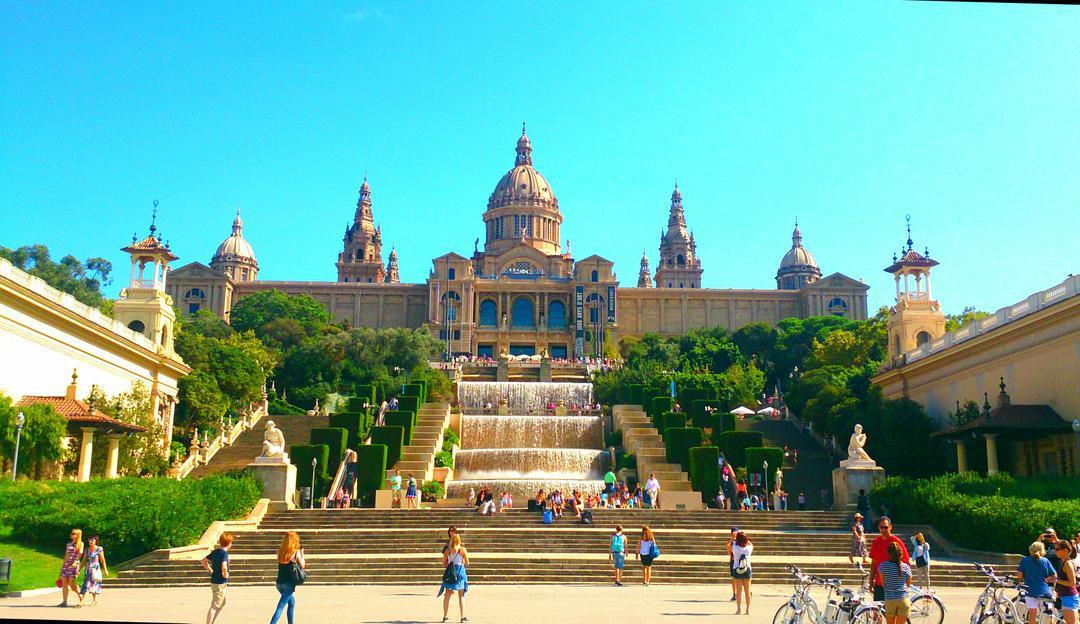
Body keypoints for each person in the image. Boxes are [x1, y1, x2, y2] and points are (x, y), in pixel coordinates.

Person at [869, 517, 910, 602]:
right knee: (878, 612)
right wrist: (871, 581)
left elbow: (906, 563)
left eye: (886, 527)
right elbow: (873, 563)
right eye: (881, 527)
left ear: (890, 527)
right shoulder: (876, 542)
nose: (884, 529)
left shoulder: (897, 542)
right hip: (879, 585)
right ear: (878, 528)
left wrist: (903, 583)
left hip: (894, 587)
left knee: (892, 613)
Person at [269, 531, 305, 624]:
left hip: (279, 583)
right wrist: (302, 554)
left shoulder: (280, 551)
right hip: (288, 583)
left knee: (291, 602)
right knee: (280, 606)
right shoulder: (295, 552)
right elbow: (302, 565)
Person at [1017, 541, 1057, 624]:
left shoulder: (1025, 560)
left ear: (1030, 550)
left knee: (1032, 614)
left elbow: (1019, 576)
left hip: (1030, 590)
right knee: (1048, 614)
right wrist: (1048, 579)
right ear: (1042, 550)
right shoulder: (1046, 561)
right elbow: (1054, 576)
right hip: (1044, 591)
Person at [201, 532, 232, 624]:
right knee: (215, 605)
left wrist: (211, 570)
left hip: (214, 580)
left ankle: (212, 622)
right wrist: (225, 574)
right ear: (229, 543)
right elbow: (224, 566)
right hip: (220, 582)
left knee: (221, 602)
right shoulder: (224, 554)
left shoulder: (216, 552)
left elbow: (203, 561)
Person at [439, 533, 470, 622]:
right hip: (460, 573)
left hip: (450, 573)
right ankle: (462, 617)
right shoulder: (462, 550)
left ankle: (445, 616)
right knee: (461, 596)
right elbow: (467, 563)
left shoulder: (447, 550)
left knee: (447, 595)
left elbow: (444, 563)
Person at [879, 541, 912, 624]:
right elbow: (908, 584)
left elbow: (883, 583)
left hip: (890, 599)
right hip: (903, 599)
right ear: (901, 554)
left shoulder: (883, 566)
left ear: (889, 554)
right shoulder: (906, 567)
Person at [57, 528, 83, 608]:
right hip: (66, 565)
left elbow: (81, 553)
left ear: (78, 535)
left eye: (73, 533)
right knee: (64, 583)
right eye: (72, 533)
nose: (71, 535)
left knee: (72, 585)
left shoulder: (80, 543)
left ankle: (81, 598)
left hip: (74, 565)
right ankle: (64, 602)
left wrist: (76, 562)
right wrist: (62, 566)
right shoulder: (68, 544)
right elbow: (66, 555)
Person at [78, 535, 107, 606]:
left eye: (92, 540)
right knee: (86, 583)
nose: (90, 541)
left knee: (94, 584)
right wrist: (79, 569)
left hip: (95, 569)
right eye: (89, 540)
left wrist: (105, 569)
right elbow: (84, 560)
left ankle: (94, 601)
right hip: (88, 569)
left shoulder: (99, 549)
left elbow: (102, 559)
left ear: (96, 541)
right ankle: (82, 601)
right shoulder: (87, 549)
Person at [1053, 541, 1078, 624]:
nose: (1055, 551)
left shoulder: (1067, 563)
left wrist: (1056, 580)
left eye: (1057, 549)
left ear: (1065, 550)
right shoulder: (1065, 562)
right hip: (1067, 597)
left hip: (1069, 597)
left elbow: (1072, 583)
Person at [731, 531, 754, 615]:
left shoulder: (735, 548)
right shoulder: (748, 548)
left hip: (737, 569)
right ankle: (748, 609)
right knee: (747, 591)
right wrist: (747, 540)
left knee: (739, 591)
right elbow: (751, 544)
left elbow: (732, 543)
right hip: (747, 569)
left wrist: (734, 538)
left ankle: (739, 609)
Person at [727, 527, 739, 602]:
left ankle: (746, 592)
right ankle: (734, 594)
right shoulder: (732, 542)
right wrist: (732, 539)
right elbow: (728, 548)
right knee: (733, 578)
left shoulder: (741, 541)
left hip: (739, 561)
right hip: (733, 560)